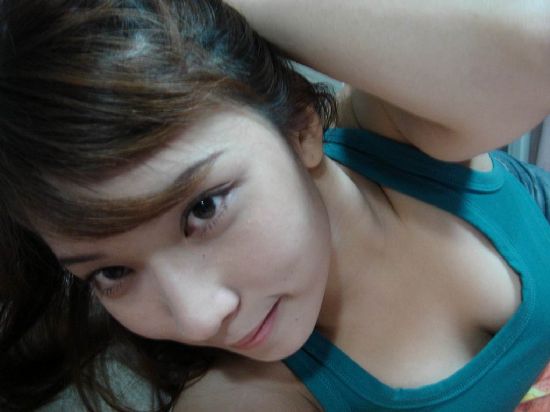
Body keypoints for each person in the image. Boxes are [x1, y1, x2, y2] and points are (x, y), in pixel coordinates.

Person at [0, 0, 548, 411]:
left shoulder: (392, 133)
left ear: (301, 126)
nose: (197, 318)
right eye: (112, 272)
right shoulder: (244, 398)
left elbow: (535, 47)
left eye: (204, 209)